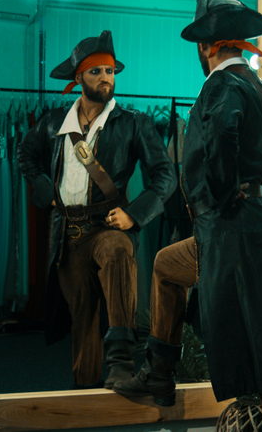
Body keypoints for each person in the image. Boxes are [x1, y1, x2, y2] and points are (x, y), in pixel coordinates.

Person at [114, 0, 262, 432]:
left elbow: (224, 136)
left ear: (206, 47)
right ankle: (159, 371)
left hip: (232, 224)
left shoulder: (221, 86)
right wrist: (257, 196)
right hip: (250, 220)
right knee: (168, 267)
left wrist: (222, 200)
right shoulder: (261, 89)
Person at [16, 30, 175, 389]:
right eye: (96, 72)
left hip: (107, 226)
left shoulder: (134, 122)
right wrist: (46, 191)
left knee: (119, 252)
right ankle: (85, 395)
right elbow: (25, 154)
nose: (106, 78)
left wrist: (135, 213)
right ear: (79, 78)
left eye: (110, 71)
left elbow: (165, 175)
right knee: (83, 319)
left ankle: (120, 361)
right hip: (67, 234)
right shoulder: (54, 121)